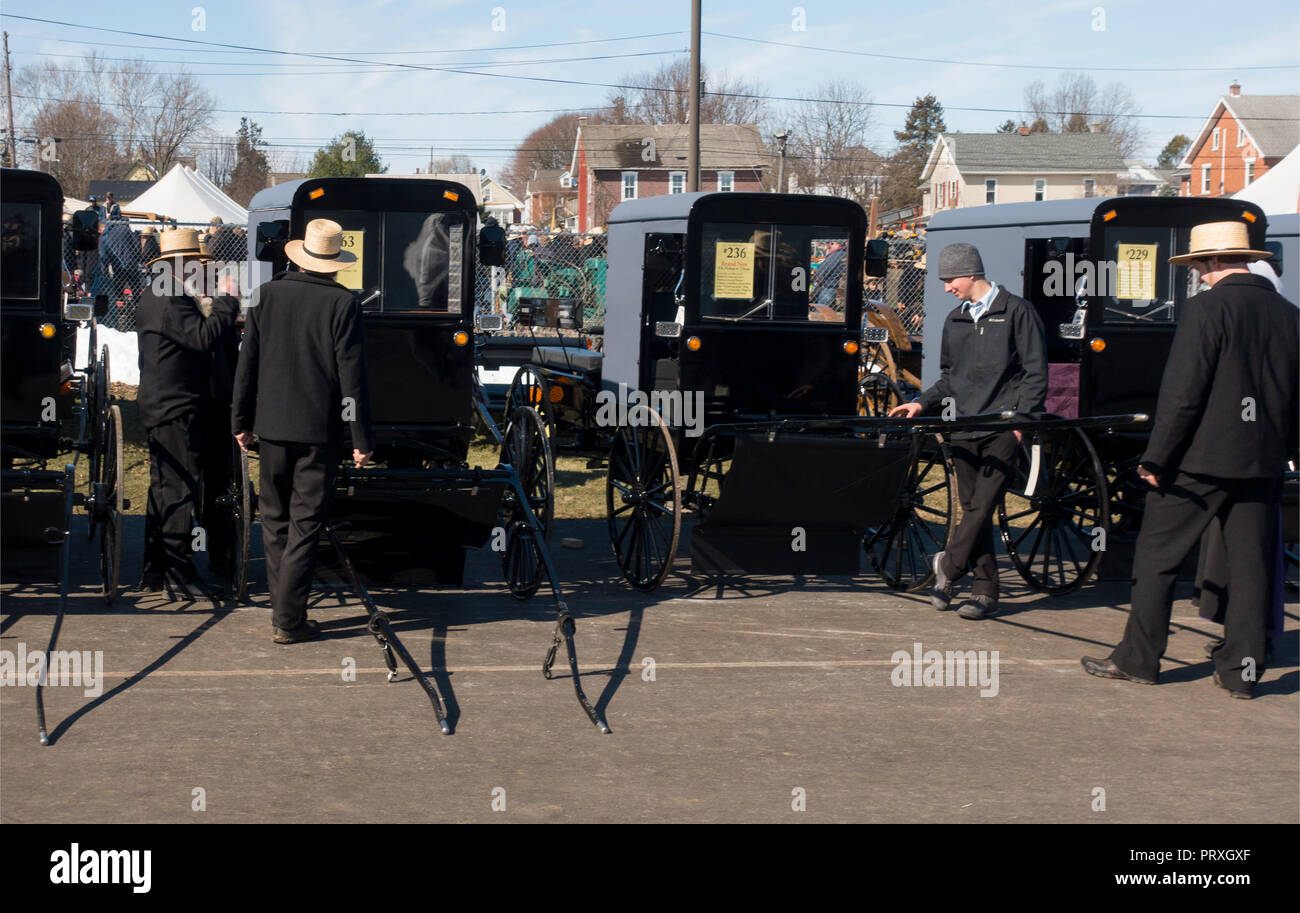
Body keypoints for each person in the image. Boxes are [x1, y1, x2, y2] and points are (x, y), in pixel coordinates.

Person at [1082, 221, 1298, 698]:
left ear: (1216, 261)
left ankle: (1139, 658)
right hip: (1262, 460)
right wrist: (1289, 452)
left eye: (1200, 266)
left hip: (1201, 459)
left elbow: (1184, 392)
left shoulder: (1207, 310)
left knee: (1157, 556)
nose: (1199, 276)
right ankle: (1242, 670)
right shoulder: (1289, 314)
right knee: (1251, 566)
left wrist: (1157, 456)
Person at [232, 219, 374, 645]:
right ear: (334, 264)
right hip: (317, 430)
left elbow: (247, 365)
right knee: (305, 523)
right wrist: (360, 437)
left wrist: (240, 421)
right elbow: (352, 377)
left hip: (270, 426)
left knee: (273, 520)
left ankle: (285, 613)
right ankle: (288, 618)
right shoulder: (343, 304)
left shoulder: (266, 295)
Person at [888, 242, 1048, 620]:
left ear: (972, 273)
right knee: (976, 509)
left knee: (981, 505)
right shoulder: (955, 320)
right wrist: (921, 403)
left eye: (950, 279)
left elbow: (1035, 372)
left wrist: (1021, 426)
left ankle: (948, 568)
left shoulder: (1017, 312)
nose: (946, 288)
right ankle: (985, 591)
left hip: (1003, 428)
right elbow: (949, 379)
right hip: (962, 428)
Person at [135, 228, 240, 599]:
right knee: (179, 490)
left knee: (163, 489)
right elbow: (201, 337)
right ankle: (179, 573)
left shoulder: (158, 294)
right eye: (196, 263)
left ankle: (154, 568)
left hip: (163, 402)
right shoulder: (170, 297)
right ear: (181, 265)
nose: (201, 270)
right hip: (175, 405)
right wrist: (228, 301)